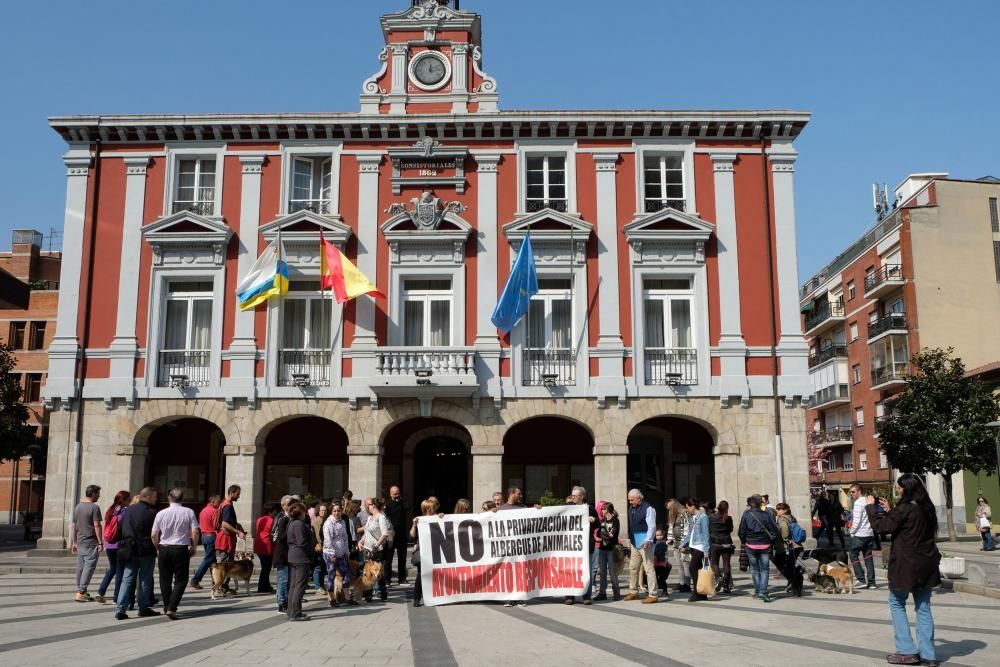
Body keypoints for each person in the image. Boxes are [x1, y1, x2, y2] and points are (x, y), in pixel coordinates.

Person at [866, 474, 942, 667]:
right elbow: (906, 525)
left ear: (907, 489)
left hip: (906, 565)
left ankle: (907, 651)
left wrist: (870, 507)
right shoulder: (926, 508)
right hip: (926, 564)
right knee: (923, 608)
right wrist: (891, 511)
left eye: (899, 488)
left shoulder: (905, 508)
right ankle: (928, 655)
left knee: (897, 602)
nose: (898, 491)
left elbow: (880, 526)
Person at [151, 488, 199, 620]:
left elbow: (154, 534)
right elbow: (195, 531)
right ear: (182, 499)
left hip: (164, 547)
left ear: (169, 498)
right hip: (180, 548)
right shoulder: (188, 512)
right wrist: (194, 546)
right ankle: (172, 607)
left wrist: (157, 547)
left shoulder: (161, 513)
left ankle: (167, 606)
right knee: (181, 580)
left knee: (164, 580)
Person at [115, 487, 160, 620]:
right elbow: (155, 533)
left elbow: (120, 529)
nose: (156, 499)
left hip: (130, 548)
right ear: (149, 497)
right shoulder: (152, 513)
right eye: (155, 497)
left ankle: (120, 609)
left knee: (127, 579)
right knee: (145, 580)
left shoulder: (128, 510)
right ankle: (143, 607)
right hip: (146, 549)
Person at [738, 494, 779, 603]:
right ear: (760, 503)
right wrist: (772, 540)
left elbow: (741, 531)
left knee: (754, 569)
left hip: (750, 545)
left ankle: (757, 591)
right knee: (765, 569)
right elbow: (774, 528)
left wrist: (744, 541)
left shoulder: (746, 514)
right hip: (765, 544)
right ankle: (763, 591)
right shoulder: (767, 514)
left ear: (750, 504)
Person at [623, 489, 661, 603]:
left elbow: (652, 526)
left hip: (646, 543)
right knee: (633, 567)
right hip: (635, 542)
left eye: (632, 500)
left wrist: (648, 540)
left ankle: (653, 594)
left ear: (639, 498)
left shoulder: (648, 508)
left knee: (649, 568)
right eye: (629, 500)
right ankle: (633, 592)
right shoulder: (631, 508)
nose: (630, 502)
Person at [564, 485, 597, 606]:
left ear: (581, 497)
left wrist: (593, 519)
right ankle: (569, 596)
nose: (572, 497)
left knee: (586, 571)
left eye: (575, 495)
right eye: (572, 495)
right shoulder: (568, 508)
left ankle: (586, 596)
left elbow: (598, 523)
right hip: (571, 546)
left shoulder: (589, 508)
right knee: (570, 570)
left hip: (586, 545)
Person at [96, 489, 130, 604]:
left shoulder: (110, 510)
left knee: (112, 568)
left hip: (109, 544)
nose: (129, 501)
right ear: (124, 500)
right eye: (128, 499)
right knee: (120, 570)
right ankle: (117, 597)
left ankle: (101, 591)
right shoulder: (124, 513)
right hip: (118, 544)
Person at [71, 484, 103, 602]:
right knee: (89, 567)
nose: (99, 496)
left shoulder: (78, 507)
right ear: (93, 493)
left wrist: (74, 542)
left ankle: (80, 589)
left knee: (80, 567)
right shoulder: (94, 507)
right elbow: (97, 525)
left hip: (80, 541)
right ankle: (82, 592)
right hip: (91, 541)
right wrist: (100, 542)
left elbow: (74, 526)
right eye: (98, 493)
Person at [323, 502, 355, 608]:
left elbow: (345, 537)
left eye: (338, 511)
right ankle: (331, 599)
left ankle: (347, 598)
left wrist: (347, 552)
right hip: (330, 554)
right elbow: (328, 539)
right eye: (334, 511)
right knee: (331, 576)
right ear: (331, 512)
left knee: (347, 574)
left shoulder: (342, 522)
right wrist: (332, 554)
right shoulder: (328, 523)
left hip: (342, 553)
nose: (337, 513)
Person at [286, 501, 314, 621]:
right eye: (305, 511)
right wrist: (311, 551)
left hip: (293, 556)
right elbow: (302, 541)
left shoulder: (292, 523)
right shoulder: (299, 524)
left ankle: (291, 610)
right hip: (301, 557)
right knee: (299, 586)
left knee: (294, 585)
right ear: (301, 512)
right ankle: (295, 612)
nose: (306, 513)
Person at [215, 485, 246, 593]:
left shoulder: (225, 504)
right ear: (232, 492)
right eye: (238, 494)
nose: (239, 496)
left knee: (227, 563)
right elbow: (224, 523)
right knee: (225, 564)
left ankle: (223, 586)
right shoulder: (228, 505)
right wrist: (238, 532)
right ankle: (220, 586)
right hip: (225, 539)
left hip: (226, 538)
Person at [410, 498, 439, 607]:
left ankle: (433, 596)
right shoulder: (419, 520)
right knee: (420, 575)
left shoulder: (438, 517)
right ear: (427, 508)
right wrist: (414, 525)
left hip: (435, 550)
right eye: (432, 507)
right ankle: (416, 598)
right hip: (424, 551)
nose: (434, 508)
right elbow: (411, 537)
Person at [189, 495, 221, 590]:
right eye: (218, 502)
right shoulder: (214, 511)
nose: (219, 504)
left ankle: (215, 581)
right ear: (213, 501)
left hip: (204, 536)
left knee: (212, 560)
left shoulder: (203, 510)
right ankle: (195, 580)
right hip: (211, 536)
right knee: (208, 559)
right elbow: (216, 525)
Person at [848, 484, 877, 589]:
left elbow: (856, 521)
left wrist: (851, 532)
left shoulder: (858, 503)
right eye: (850, 492)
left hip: (860, 534)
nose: (851, 494)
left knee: (852, 554)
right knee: (868, 557)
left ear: (859, 491)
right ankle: (872, 582)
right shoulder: (868, 501)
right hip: (869, 534)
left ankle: (860, 579)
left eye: (853, 492)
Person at [681, 498, 710, 602]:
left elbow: (706, 535)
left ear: (693, 506)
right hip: (693, 546)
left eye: (687, 507)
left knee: (692, 568)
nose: (687, 509)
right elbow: (690, 533)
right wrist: (683, 544)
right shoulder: (692, 518)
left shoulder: (703, 517)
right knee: (697, 569)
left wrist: (706, 552)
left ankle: (697, 593)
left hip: (700, 547)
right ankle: (702, 593)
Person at [363, 497, 391, 601]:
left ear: (373, 505)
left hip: (377, 549)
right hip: (367, 548)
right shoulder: (370, 518)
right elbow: (367, 532)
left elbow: (385, 534)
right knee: (368, 571)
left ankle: (382, 591)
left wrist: (376, 545)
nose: (368, 507)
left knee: (378, 571)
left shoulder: (381, 517)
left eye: (369, 505)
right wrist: (361, 542)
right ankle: (368, 594)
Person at [774, 502, 804, 597]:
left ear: (785, 510)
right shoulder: (792, 517)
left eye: (779, 509)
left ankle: (793, 581)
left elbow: (785, 530)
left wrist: (785, 539)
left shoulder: (782, 519)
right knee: (790, 565)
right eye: (777, 509)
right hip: (797, 546)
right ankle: (794, 581)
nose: (777, 511)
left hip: (788, 546)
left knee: (779, 562)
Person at [593, 502, 621, 601]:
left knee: (612, 572)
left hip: (611, 548)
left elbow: (613, 535)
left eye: (604, 509)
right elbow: (599, 533)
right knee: (603, 572)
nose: (602, 511)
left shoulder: (615, 521)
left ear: (608, 510)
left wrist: (605, 535)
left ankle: (616, 593)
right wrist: (597, 537)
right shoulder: (602, 521)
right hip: (602, 548)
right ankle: (602, 593)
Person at [271, 495, 292, 613]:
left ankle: (288, 601)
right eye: (289, 504)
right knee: (283, 580)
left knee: (288, 580)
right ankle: (281, 603)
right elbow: (275, 536)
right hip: (281, 554)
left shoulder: (291, 518)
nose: (291, 507)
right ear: (283, 505)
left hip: (290, 554)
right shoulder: (281, 517)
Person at [384, 486, 410, 585]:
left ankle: (402, 578)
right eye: (395, 494)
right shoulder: (388, 504)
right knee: (388, 558)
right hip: (391, 535)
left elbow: (408, 507)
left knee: (402, 558)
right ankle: (387, 579)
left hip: (402, 534)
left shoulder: (402, 503)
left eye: (398, 493)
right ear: (390, 494)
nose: (397, 495)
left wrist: (400, 500)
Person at [709, 500, 735, 594]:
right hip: (726, 543)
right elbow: (730, 529)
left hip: (715, 543)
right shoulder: (729, 518)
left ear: (718, 507)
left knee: (714, 563)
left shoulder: (711, 517)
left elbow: (709, 528)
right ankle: (726, 586)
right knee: (727, 565)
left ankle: (718, 577)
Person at [666, 498, 691, 593]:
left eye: (670, 508)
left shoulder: (684, 514)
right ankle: (681, 583)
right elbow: (671, 527)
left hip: (683, 543)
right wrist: (670, 539)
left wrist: (684, 544)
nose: (669, 511)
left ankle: (687, 584)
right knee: (678, 564)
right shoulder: (673, 515)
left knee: (685, 564)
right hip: (676, 543)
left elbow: (687, 529)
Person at [254, 504, 276, 594]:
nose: (275, 513)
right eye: (274, 512)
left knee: (265, 567)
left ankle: (264, 585)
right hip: (267, 546)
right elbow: (273, 533)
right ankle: (263, 586)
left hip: (258, 544)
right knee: (266, 568)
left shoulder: (259, 519)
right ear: (270, 511)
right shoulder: (271, 520)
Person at [311, 503, 328, 593]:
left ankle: (321, 585)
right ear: (318, 511)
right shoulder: (316, 521)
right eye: (322, 510)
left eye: (325, 510)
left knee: (322, 567)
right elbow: (317, 535)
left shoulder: (326, 520)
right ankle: (318, 587)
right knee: (318, 567)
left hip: (325, 547)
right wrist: (319, 545)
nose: (323, 512)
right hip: (319, 547)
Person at [652, 528, 671, 597]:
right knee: (655, 578)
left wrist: (669, 541)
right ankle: (655, 591)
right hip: (656, 564)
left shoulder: (664, 541)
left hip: (663, 564)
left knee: (662, 579)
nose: (659, 536)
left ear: (663, 535)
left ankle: (665, 591)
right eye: (657, 535)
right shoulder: (654, 543)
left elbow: (667, 542)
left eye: (660, 535)